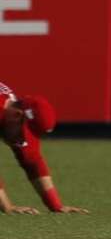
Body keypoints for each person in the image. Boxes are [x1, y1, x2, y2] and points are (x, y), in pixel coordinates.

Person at [0, 86, 84, 214]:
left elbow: (32, 160)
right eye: (22, 133)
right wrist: (7, 207)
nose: (21, 139)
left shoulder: (13, 113)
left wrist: (56, 205)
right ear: (17, 115)